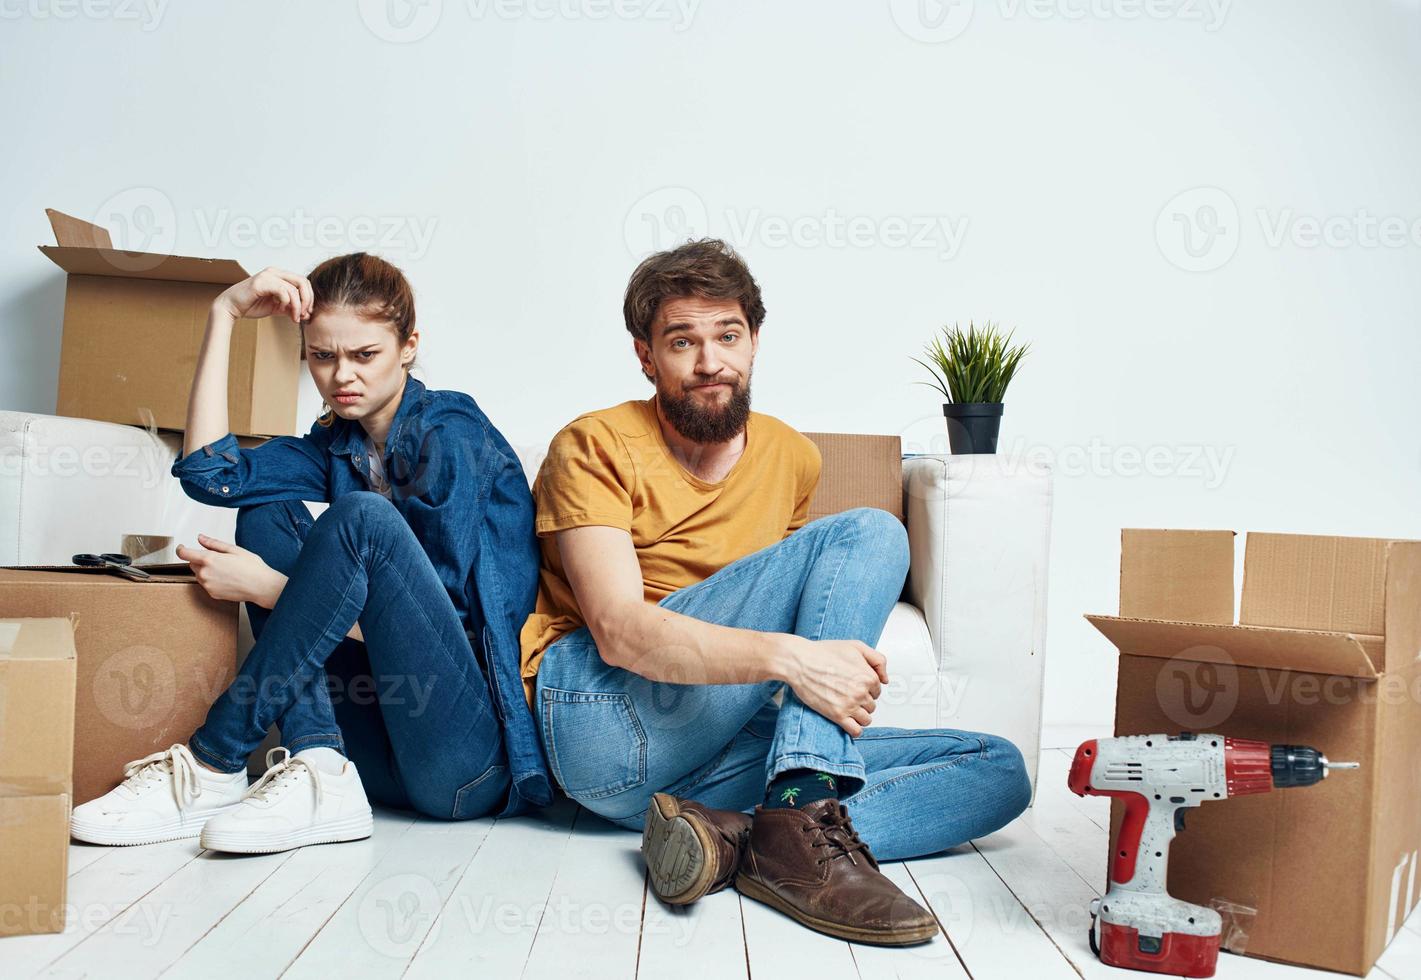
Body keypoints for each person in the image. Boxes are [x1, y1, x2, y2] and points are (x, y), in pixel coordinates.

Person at [521, 239, 1031, 944]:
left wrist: (792, 679)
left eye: (727, 335)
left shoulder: (790, 454)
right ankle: (798, 812)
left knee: (999, 770)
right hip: (603, 720)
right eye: (681, 341)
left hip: (705, 758)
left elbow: (807, 610)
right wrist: (792, 661)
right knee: (873, 534)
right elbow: (619, 631)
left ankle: (745, 836)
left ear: (754, 340)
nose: (710, 362)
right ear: (645, 355)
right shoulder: (593, 443)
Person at [70, 254, 550, 854]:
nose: (341, 376)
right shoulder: (338, 444)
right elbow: (209, 476)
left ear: (408, 346)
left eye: (364, 355)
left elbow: (443, 629)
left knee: (363, 519)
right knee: (264, 508)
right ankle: (320, 766)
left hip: (462, 759)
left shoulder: (448, 431)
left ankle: (213, 761)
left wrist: (268, 588)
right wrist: (225, 313)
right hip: (373, 754)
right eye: (322, 356)